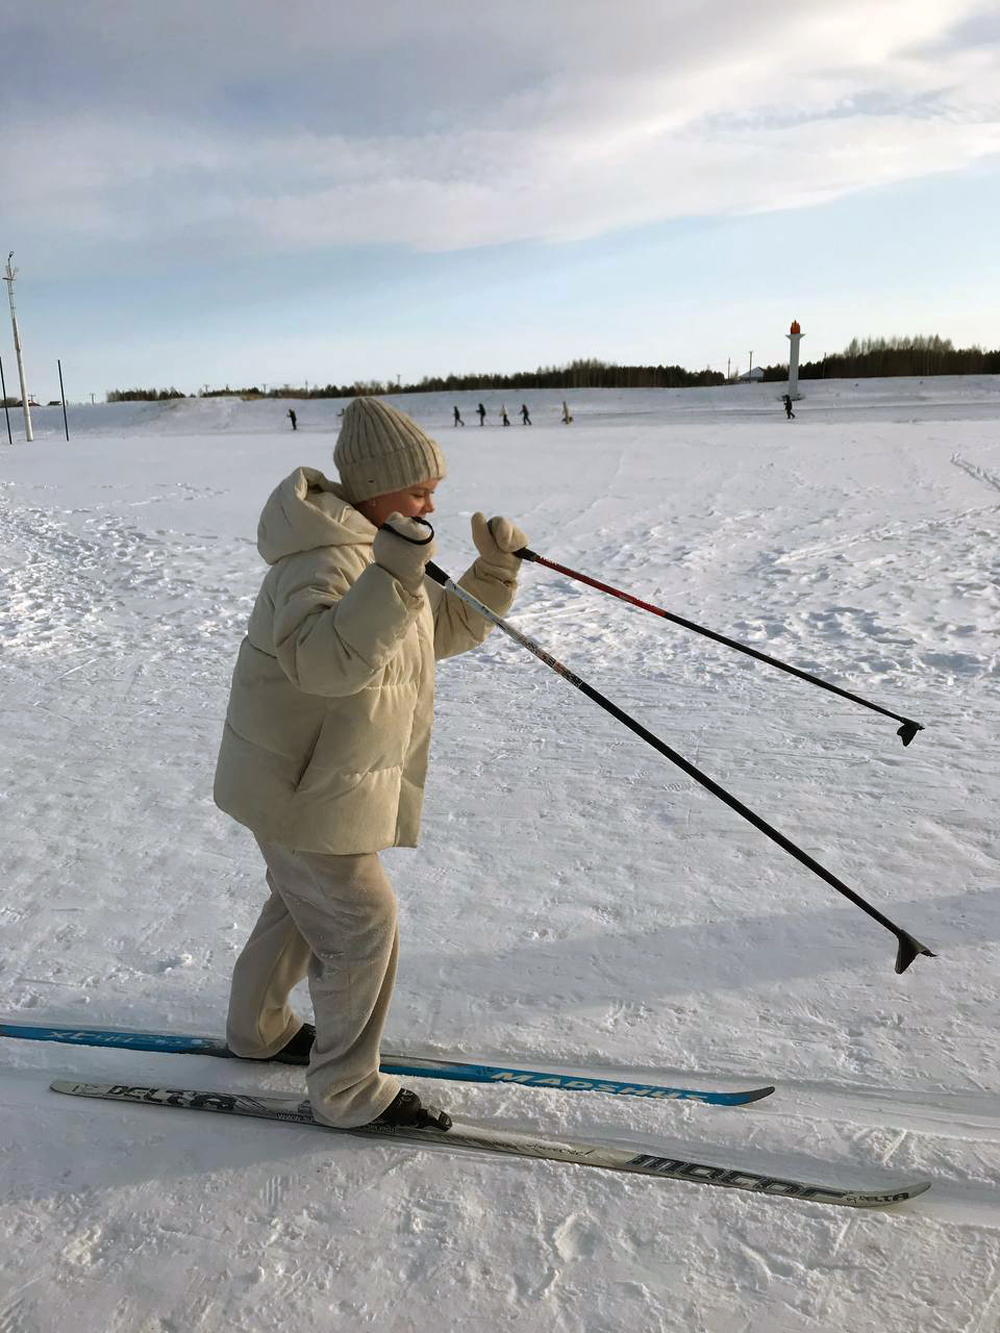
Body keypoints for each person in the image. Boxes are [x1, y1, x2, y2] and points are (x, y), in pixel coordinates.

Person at [214, 396, 528, 1133]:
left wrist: (493, 571)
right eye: (419, 490)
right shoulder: (320, 563)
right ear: (377, 489)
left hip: (316, 782)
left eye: (434, 490)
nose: (430, 505)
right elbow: (324, 663)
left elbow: (436, 630)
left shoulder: (379, 557)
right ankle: (347, 1091)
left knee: (302, 905)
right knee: (360, 923)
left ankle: (257, 1029)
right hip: (301, 787)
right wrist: (391, 575)